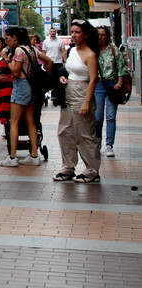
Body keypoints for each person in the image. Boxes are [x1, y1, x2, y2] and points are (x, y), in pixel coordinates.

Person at [51, 20, 102, 182]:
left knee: (85, 133)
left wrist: (87, 101)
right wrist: (62, 76)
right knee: (65, 130)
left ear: (86, 34)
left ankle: (92, 170)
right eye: (72, 32)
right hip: (68, 91)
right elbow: (67, 69)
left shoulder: (91, 54)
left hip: (83, 92)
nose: (73, 35)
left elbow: (93, 79)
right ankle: (68, 166)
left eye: (77, 32)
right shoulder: (72, 51)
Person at [0, 27, 52, 167]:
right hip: (33, 87)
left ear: (15, 38)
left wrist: (6, 59)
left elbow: (15, 72)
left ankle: (12, 157)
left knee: (14, 122)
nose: (6, 41)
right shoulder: (32, 49)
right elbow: (49, 61)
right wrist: (47, 74)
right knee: (31, 121)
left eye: (7, 38)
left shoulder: (19, 51)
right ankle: (34, 155)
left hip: (21, 86)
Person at [95, 26, 131, 157]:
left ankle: (109, 145)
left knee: (111, 116)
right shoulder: (94, 50)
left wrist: (120, 82)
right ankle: (97, 141)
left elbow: (121, 67)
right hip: (98, 85)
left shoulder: (113, 49)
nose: (100, 37)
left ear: (107, 36)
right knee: (98, 118)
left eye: (103, 35)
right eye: (98, 34)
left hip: (112, 85)